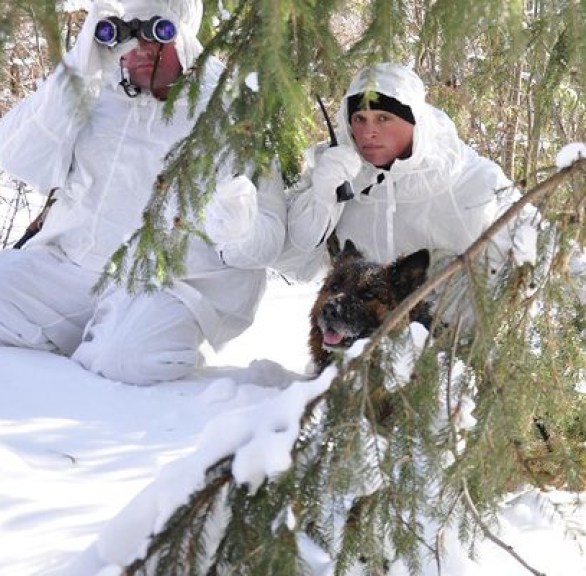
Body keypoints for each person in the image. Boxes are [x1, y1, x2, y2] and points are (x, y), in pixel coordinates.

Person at [0, 0, 286, 385]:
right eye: (126, 32)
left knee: (124, 358)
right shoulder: (92, 91)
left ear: (183, 37)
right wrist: (78, 66)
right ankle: (86, 338)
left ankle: (119, 345)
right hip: (72, 270)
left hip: (167, 286)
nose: (141, 47)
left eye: (157, 33)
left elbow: (269, 239)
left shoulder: (231, 111)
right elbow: (16, 154)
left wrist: (240, 231)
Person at [282, 62, 538, 319]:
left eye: (384, 118)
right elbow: (293, 260)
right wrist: (322, 197)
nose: (368, 132)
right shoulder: (339, 174)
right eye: (359, 119)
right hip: (361, 347)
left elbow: (539, 250)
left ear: (415, 121)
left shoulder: (470, 178)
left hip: (451, 346)